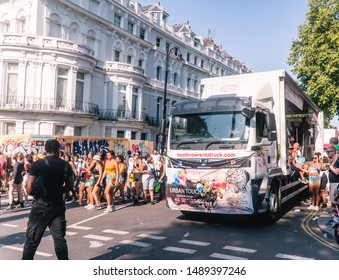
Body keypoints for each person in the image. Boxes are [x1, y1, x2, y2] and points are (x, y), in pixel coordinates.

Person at [22, 139, 74, 260]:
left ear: (45, 150)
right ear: (58, 150)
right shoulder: (66, 165)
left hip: (40, 206)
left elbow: (29, 189)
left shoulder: (37, 165)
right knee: (60, 240)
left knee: (31, 242)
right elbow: (70, 187)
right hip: (58, 206)